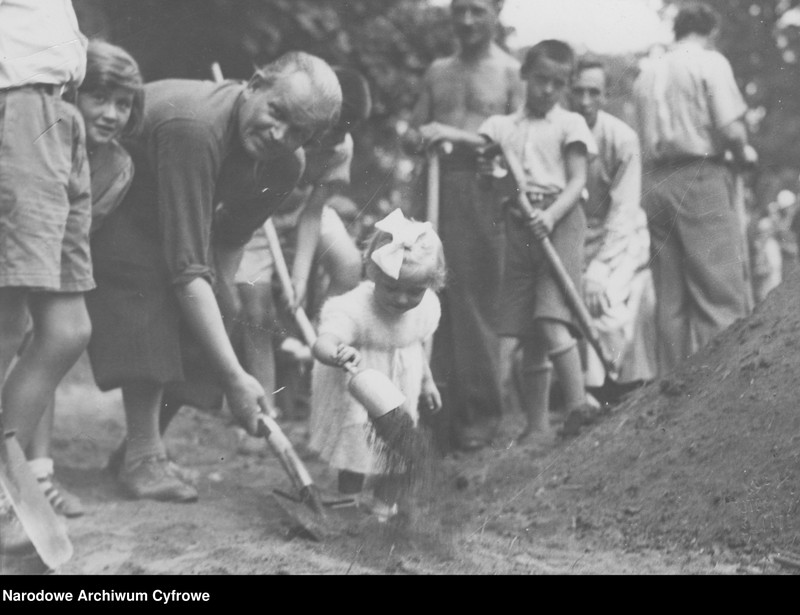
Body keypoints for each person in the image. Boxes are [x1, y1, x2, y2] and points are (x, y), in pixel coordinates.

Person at [86, 51, 342, 502]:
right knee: (150, 291)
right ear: (256, 83)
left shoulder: (286, 165)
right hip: (111, 201)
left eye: (298, 131)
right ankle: (144, 458)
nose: (280, 135)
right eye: (276, 113)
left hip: (166, 214)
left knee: (220, 312)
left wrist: (222, 311)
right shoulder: (196, 127)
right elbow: (185, 272)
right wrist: (234, 377)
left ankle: (138, 450)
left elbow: (226, 241)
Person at [22, 40, 145, 519]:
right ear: (73, 95)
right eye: (100, 98)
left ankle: (38, 474)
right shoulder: (40, 136)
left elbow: (80, 238)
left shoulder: (117, 167)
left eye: (124, 102)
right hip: (15, 260)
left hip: (52, 271)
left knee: (47, 346)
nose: (112, 113)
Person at [407, 0, 524, 452]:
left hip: (483, 193)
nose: (467, 21)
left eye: (477, 10)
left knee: (476, 303)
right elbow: (414, 131)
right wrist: (420, 136)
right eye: (459, 9)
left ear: (496, 11)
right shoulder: (438, 70)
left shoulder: (511, 72)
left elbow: (517, 139)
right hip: (435, 189)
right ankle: (438, 415)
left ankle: (482, 416)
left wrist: (453, 136)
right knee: (430, 296)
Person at [0, 0, 90, 553]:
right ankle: (5, 494)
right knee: (6, 320)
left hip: (60, 115)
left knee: (68, 328)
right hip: (19, 110)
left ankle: (8, 476)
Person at [233, 68, 371, 425]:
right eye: (333, 127)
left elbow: (314, 212)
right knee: (256, 308)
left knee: (349, 265)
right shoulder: (279, 132)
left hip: (301, 213)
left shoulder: (340, 147)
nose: (337, 137)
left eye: (345, 130)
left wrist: (300, 274)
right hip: (256, 215)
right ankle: (265, 408)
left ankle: (312, 338)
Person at [633, 2, 757, 374]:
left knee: (671, 296)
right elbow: (731, 128)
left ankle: (672, 384)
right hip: (698, 174)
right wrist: (744, 151)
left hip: (656, 180)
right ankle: (726, 381)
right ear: (711, 32)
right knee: (718, 287)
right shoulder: (708, 61)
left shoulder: (646, 73)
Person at [309, 209, 444, 520]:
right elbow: (323, 342)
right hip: (359, 387)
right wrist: (338, 352)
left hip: (401, 387)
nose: (401, 300)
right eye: (392, 288)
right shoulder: (355, 307)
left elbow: (415, 342)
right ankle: (349, 502)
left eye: (414, 291)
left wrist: (427, 381)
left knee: (402, 449)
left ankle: (382, 507)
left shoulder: (424, 309)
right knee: (356, 448)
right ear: (373, 274)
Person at [568, 58, 656, 394]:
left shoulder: (622, 138)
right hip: (575, 239)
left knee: (605, 303)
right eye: (578, 91)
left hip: (620, 240)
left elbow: (624, 211)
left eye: (594, 92)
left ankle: (620, 387)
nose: (585, 100)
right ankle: (589, 392)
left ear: (606, 95)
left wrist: (600, 269)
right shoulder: (558, 131)